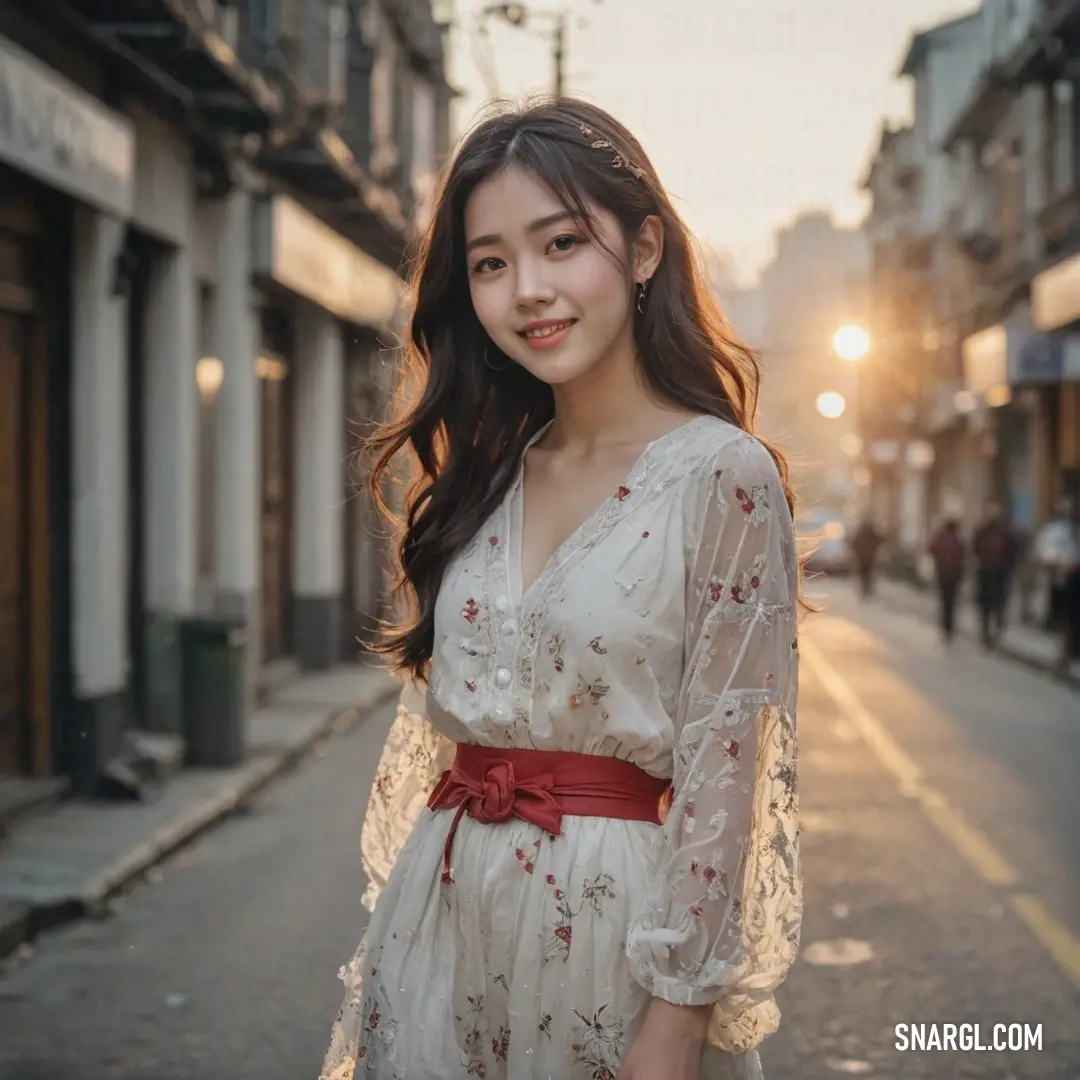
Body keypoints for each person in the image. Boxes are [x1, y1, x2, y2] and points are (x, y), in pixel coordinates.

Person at [320, 98, 802, 1080]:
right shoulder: (483, 473)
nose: (527, 291)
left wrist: (672, 1025)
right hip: (441, 922)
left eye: (562, 243)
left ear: (643, 249)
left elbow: (724, 772)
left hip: (608, 941)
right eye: (491, 263)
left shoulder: (723, 476)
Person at [971, 500, 1019, 649]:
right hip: (986, 574)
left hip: (1000, 575)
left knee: (999, 607)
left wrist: (1009, 569)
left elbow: (1013, 552)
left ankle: (996, 635)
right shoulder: (982, 531)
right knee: (986, 607)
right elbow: (975, 549)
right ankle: (986, 635)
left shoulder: (1006, 533)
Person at [928, 519, 965, 642]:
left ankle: (945, 626)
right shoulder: (958, 541)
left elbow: (931, 549)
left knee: (944, 602)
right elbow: (963, 559)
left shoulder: (941, 539)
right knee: (952, 603)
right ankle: (950, 627)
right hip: (954, 577)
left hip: (942, 575)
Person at [850, 518, 883, 598]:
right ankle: (867, 590)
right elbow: (880, 540)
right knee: (867, 575)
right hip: (868, 559)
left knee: (865, 575)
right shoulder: (870, 535)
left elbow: (853, 544)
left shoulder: (861, 535)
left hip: (863, 559)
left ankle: (866, 590)